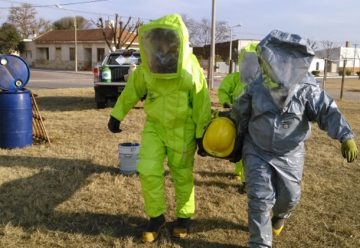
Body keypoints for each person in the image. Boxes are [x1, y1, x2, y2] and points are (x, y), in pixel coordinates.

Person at [229, 30, 358, 248]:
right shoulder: (257, 86)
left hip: (289, 153)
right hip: (257, 149)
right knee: (259, 199)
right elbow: (240, 111)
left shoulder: (307, 89)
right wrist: (230, 133)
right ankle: (259, 243)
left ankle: (281, 215)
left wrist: (345, 135)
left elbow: (327, 111)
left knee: (290, 196)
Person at [107, 14, 211, 243]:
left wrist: (202, 135)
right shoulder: (148, 67)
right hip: (154, 127)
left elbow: (202, 103)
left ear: (177, 41)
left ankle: (184, 218)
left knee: (181, 175)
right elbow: (132, 90)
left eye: (167, 41)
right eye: (158, 42)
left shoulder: (190, 68)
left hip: (182, 130)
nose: (162, 46)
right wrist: (117, 115)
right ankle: (156, 217)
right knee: (148, 170)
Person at [217, 43, 259, 190]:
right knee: (238, 145)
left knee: (249, 149)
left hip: (255, 119)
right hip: (238, 117)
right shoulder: (235, 78)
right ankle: (239, 171)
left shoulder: (262, 81)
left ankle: (246, 180)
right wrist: (226, 102)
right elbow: (223, 90)